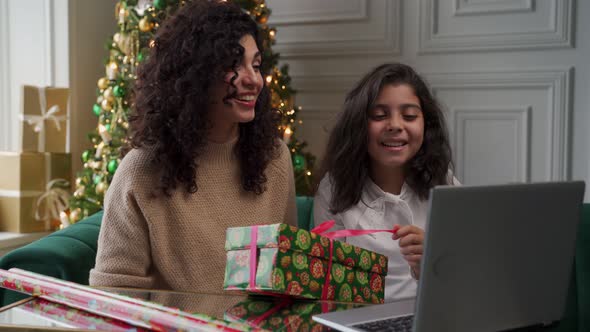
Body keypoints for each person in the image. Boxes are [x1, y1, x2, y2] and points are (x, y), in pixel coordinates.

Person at [90, 0, 297, 293]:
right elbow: (114, 295)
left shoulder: (274, 158)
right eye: (234, 64)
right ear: (196, 74)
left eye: (256, 64)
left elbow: (286, 278)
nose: (253, 80)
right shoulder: (141, 170)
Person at [314, 63, 459, 302]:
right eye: (380, 116)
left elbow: (464, 278)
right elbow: (329, 286)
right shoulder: (334, 189)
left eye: (409, 116)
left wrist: (430, 266)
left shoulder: (445, 184)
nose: (395, 125)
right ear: (359, 125)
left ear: (426, 124)